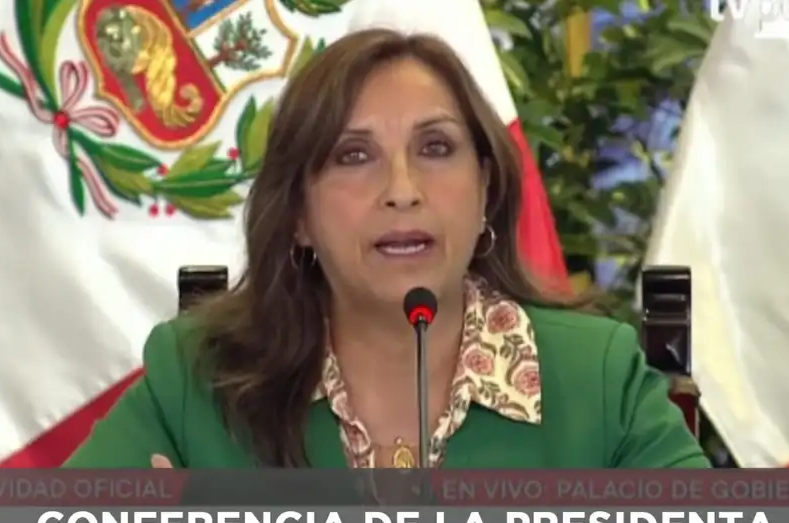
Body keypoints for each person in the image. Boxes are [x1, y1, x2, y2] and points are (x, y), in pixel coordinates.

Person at [65, 29, 708, 470]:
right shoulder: (199, 381)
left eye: (435, 148)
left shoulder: (594, 377)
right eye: (353, 155)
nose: (402, 190)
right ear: (298, 218)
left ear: (485, 188)